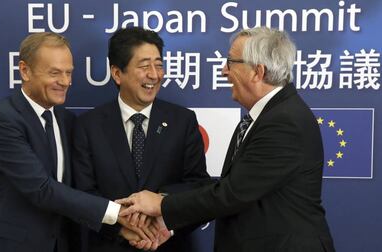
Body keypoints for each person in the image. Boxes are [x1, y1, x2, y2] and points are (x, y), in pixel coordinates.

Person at [117, 27, 336, 252]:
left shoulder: (283, 122)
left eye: (231, 62)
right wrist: (168, 224)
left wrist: (162, 204)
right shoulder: (268, 116)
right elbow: (238, 188)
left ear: (257, 71)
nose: (224, 71)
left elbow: (231, 194)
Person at [0, 32, 154, 252]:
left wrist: (119, 227)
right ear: (24, 70)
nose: (65, 82)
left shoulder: (67, 120)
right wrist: (117, 213)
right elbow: (41, 189)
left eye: (69, 73)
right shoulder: (1, 120)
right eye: (55, 73)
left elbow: (75, 190)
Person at [72, 27, 210, 251]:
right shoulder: (88, 126)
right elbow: (83, 194)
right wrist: (119, 226)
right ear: (117, 73)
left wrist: (164, 219)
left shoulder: (182, 121)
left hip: (170, 245)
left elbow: (198, 186)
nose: (154, 75)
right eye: (145, 66)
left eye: (159, 65)